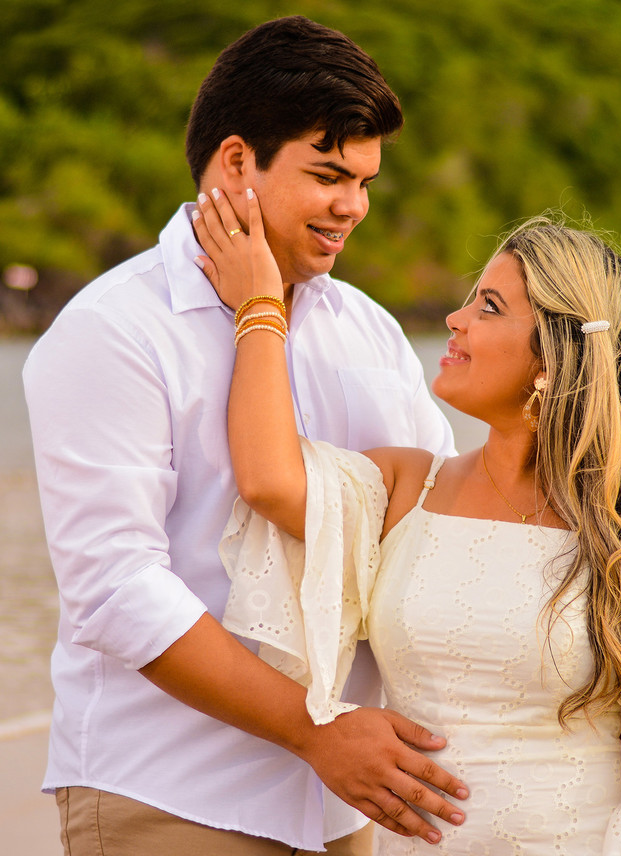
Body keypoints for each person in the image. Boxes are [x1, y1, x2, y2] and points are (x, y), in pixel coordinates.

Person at [194, 186, 621, 854]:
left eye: (488, 307)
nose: (455, 318)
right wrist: (261, 305)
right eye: (471, 299)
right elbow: (267, 478)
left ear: (553, 357)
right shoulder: (409, 485)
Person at [23, 16, 470, 855]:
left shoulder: (369, 332)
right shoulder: (113, 331)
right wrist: (316, 733)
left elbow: (431, 531)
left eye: (367, 183)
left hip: (344, 802)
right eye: (329, 175)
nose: (353, 207)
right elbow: (117, 591)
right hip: (170, 795)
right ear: (237, 162)